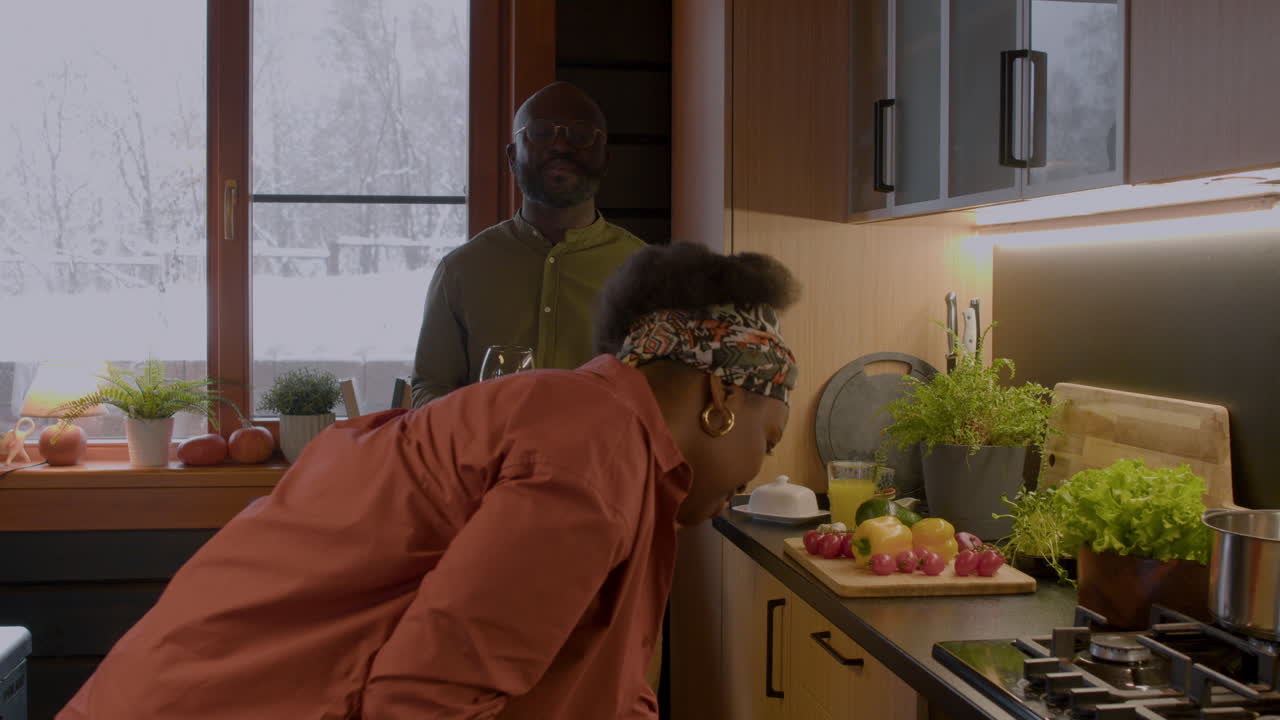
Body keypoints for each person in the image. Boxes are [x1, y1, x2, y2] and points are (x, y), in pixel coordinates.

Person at [56, 241, 800, 720]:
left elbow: (604, 684)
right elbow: (421, 703)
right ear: (724, 396)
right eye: (770, 442)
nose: (753, 475)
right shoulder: (595, 448)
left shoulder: (604, 436)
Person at [411, 81, 646, 407]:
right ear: (512, 156)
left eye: (580, 135)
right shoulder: (462, 270)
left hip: (605, 458)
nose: (561, 145)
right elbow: (429, 388)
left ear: (605, 159)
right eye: (539, 132)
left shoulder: (648, 276)